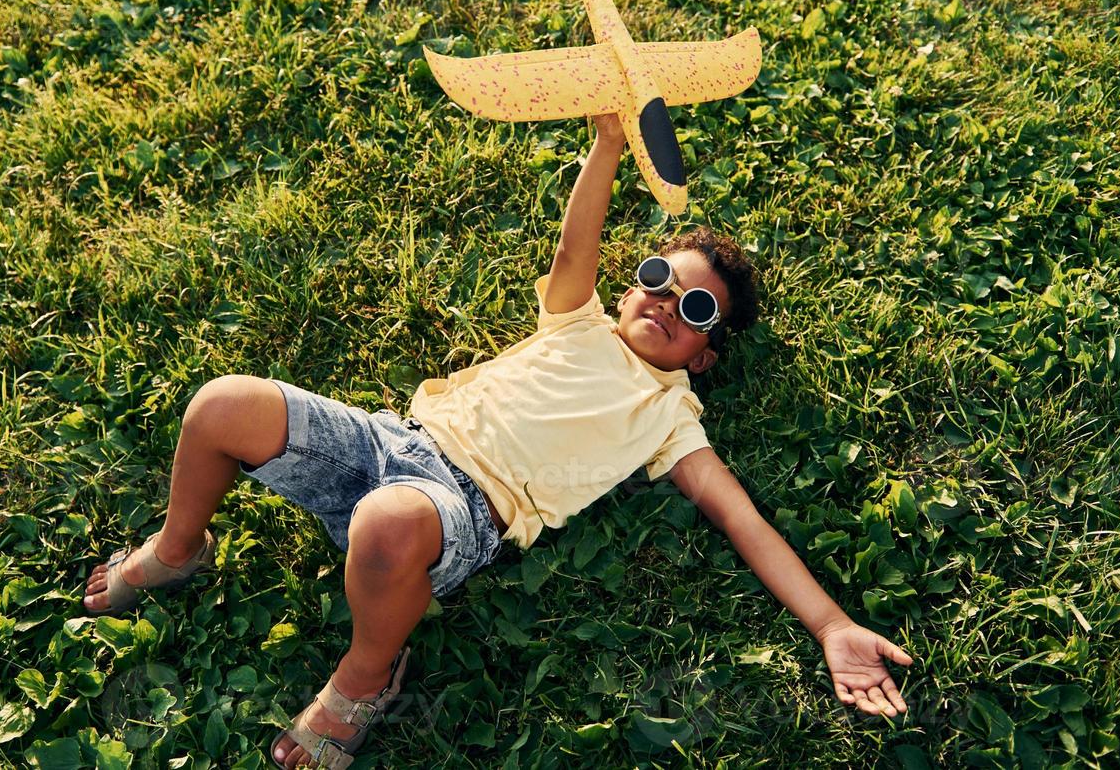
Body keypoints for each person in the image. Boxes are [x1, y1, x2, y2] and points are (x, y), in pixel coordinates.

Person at [80, 114, 913, 768]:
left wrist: (831, 624)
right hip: (389, 443)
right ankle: (177, 548)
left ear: (707, 354)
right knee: (222, 404)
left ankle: (367, 677)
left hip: (463, 509)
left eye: (695, 310)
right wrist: (607, 145)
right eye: (657, 280)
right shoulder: (579, 319)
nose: (664, 304)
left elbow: (745, 522)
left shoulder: (668, 418)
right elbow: (571, 245)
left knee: (387, 529)